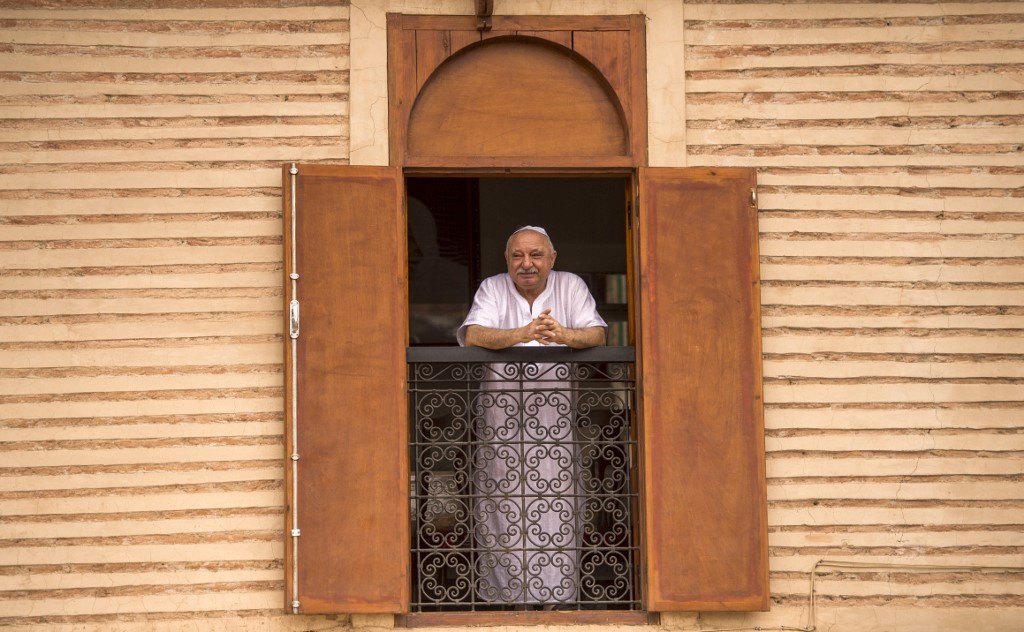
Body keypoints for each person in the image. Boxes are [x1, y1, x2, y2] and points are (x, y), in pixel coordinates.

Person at [457, 226, 606, 608]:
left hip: (554, 424)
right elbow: (474, 334)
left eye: (535, 255)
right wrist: (525, 332)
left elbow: (596, 336)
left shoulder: (570, 285)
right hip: (501, 428)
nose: (527, 264)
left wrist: (563, 335)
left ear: (551, 259)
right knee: (502, 507)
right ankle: (510, 602)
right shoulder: (492, 288)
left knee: (558, 505)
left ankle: (556, 601)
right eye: (517, 256)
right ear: (507, 261)